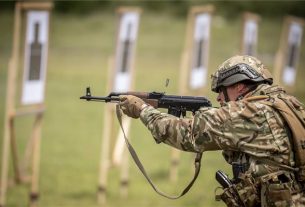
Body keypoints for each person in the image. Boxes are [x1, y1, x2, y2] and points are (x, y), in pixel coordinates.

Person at [119, 55, 305, 207]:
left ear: (239, 85)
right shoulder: (290, 105)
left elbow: (187, 134)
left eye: (221, 89)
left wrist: (142, 109)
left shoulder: (246, 113)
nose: (218, 97)